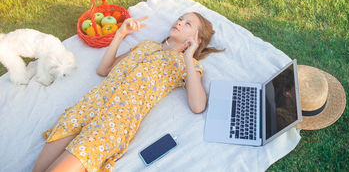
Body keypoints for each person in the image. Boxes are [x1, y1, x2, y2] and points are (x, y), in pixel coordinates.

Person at [33, 12, 224, 172]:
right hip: (88, 105)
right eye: (180, 18)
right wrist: (121, 34)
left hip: (114, 122)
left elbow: (198, 106)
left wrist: (189, 55)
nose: (179, 22)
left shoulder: (186, 65)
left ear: (197, 40)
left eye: (188, 23)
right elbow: (104, 70)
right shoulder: (146, 45)